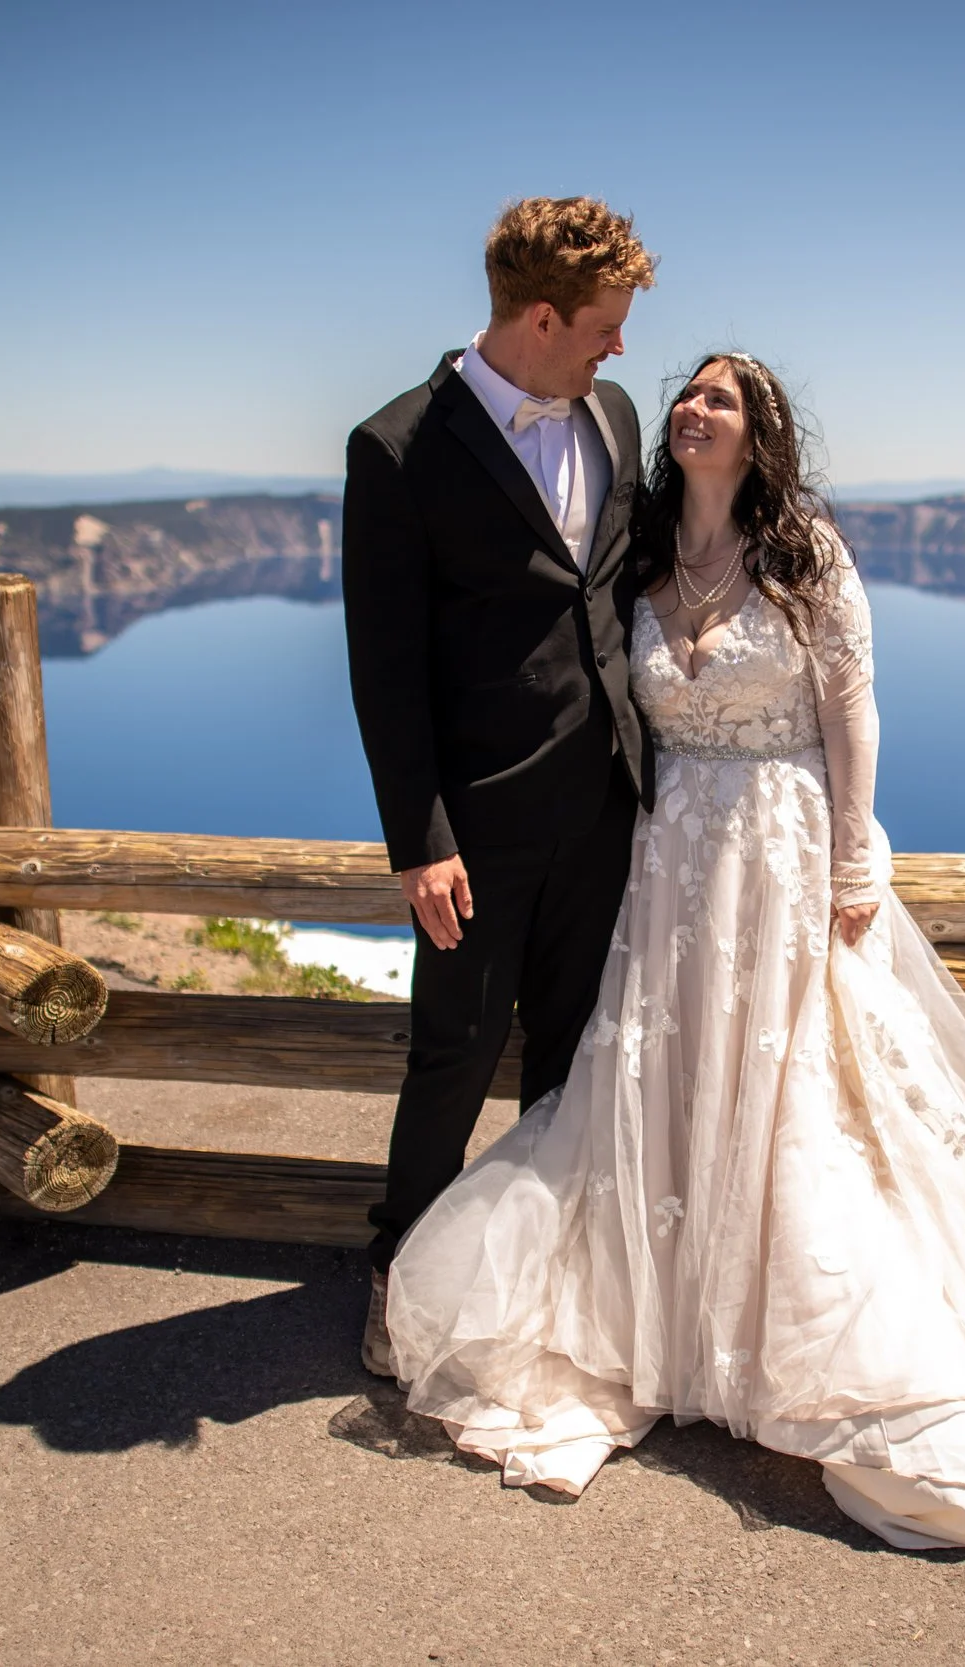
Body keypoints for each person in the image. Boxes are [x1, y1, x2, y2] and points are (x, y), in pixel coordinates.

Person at [383, 352, 965, 1551]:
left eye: (719, 399)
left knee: (801, 1096)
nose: (691, 409)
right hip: (672, 863)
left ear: (760, 432)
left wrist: (853, 852)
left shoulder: (805, 555)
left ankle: (800, 1341)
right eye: (686, 393)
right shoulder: (639, 557)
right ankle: (669, 1325)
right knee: (663, 1085)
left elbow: (852, 704)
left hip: (780, 853)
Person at [342, 198, 657, 1376]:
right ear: (540, 314)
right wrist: (419, 838)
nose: (618, 349)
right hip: (476, 825)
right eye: (604, 326)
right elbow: (385, 665)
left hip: (611, 805)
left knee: (574, 1055)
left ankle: (544, 1273)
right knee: (454, 1054)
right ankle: (397, 1273)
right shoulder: (396, 445)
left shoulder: (615, 416)